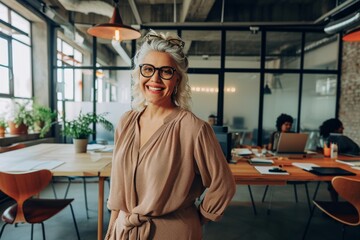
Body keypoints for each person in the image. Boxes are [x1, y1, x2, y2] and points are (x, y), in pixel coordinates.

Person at [105, 30, 236, 240]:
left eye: (166, 71)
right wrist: (111, 231)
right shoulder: (126, 122)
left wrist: (196, 218)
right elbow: (118, 190)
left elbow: (224, 184)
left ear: (177, 80)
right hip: (125, 229)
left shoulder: (193, 128)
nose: (155, 78)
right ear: (138, 75)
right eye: (148, 69)